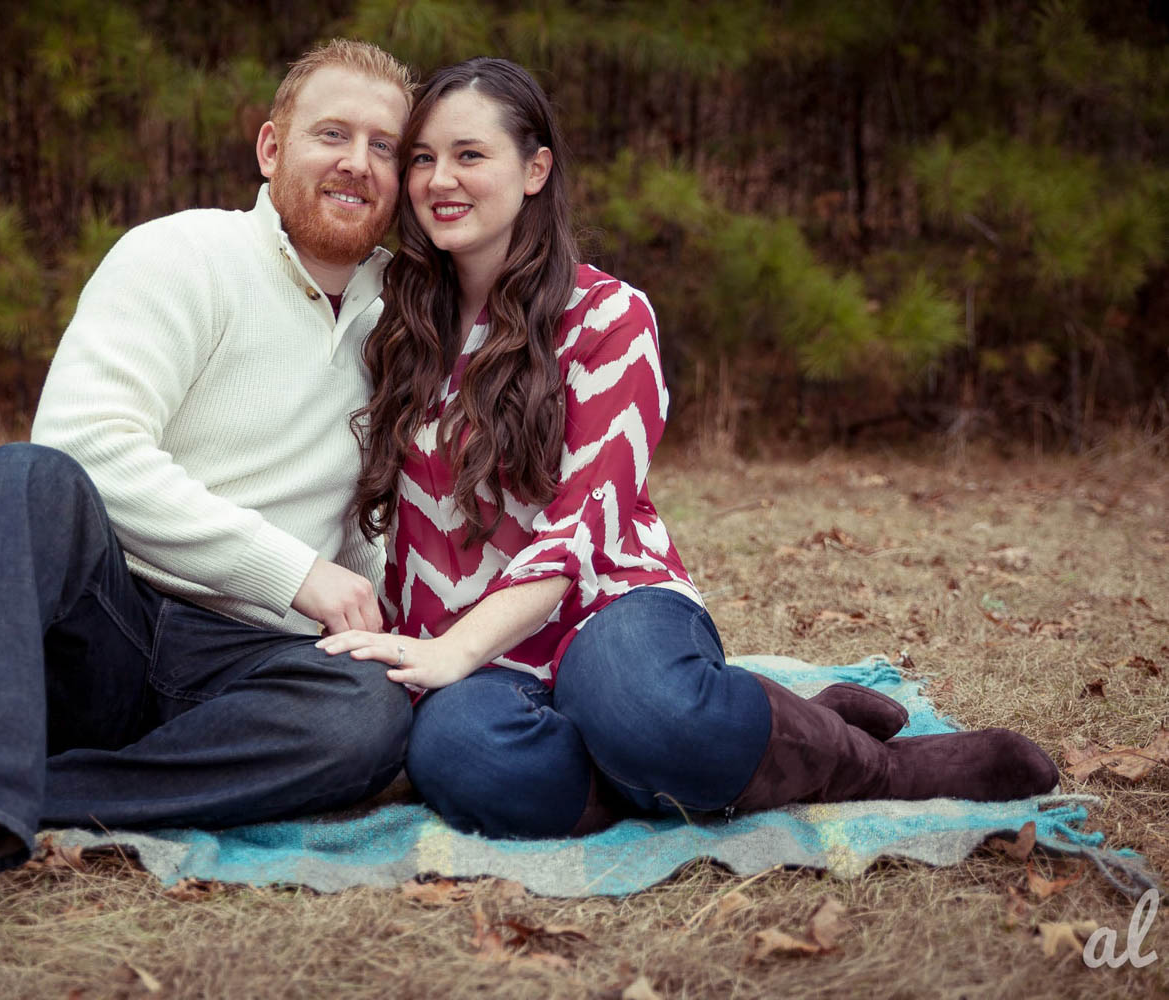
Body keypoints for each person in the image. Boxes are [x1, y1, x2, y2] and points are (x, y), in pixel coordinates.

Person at [0, 39, 415, 987]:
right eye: (332, 133)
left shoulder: (410, 316)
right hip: (103, 622)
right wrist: (293, 571)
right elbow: (90, 446)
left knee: (366, 716)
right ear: (271, 147)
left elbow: (389, 511)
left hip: (245, 670)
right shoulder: (180, 254)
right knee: (23, 478)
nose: (359, 161)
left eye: (386, 146)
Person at [315, 57, 1059, 839]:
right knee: (474, 767)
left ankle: (881, 766)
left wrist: (458, 650)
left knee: (645, 709)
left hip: (604, 605)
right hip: (463, 650)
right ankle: (737, 742)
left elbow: (581, 526)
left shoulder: (610, 318)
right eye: (424, 157)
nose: (440, 180)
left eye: (470, 155)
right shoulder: (398, 322)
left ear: (535, 169)